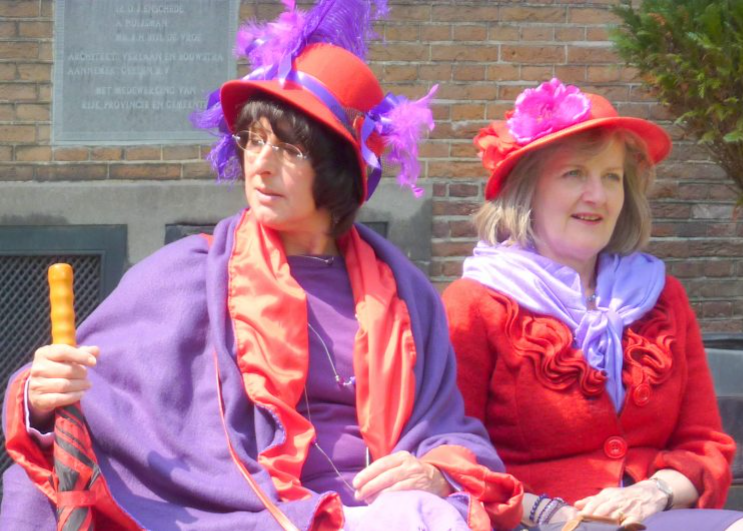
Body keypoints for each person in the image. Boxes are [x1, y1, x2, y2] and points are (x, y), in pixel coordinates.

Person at [1, 2, 522, 530]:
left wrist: (435, 473)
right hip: (252, 512)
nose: (261, 165)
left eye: (290, 149)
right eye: (253, 141)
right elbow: (88, 394)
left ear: (340, 169)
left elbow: (448, 429)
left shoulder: (406, 292)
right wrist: (41, 396)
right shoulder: (185, 275)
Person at [443, 79, 743, 531]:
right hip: (537, 520)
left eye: (612, 177)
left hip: (656, 517)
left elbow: (704, 446)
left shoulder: (662, 296)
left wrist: (655, 492)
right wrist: (545, 512)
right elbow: (451, 454)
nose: (598, 195)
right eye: (574, 174)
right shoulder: (473, 304)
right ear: (526, 190)